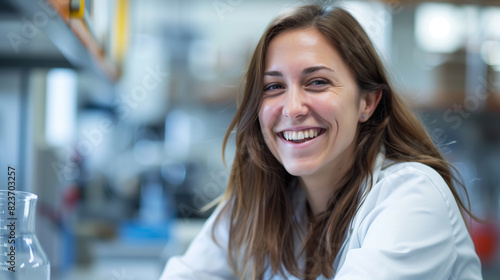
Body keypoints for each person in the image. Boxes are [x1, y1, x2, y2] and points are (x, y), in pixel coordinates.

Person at [160, 4, 482, 280]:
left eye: (317, 82)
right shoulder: (266, 197)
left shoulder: (412, 196)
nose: (292, 108)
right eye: (273, 87)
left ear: (367, 102)